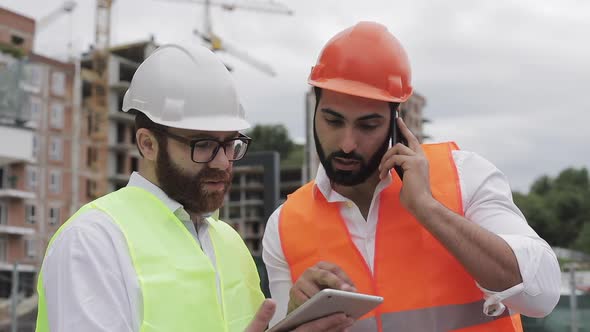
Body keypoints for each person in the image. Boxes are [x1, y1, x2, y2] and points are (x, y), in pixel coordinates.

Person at [263, 22, 561, 331]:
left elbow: (542, 295)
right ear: (315, 109)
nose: (347, 143)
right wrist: (295, 318)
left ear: (396, 122)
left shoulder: (465, 176)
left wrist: (427, 208)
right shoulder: (284, 225)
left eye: (368, 125)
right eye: (333, 120)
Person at [35, 44, 354, 332]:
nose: (222, 162)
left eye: (231, 143)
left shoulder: (229, 241)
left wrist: (294, 318)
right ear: (148, 143)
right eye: (202, 145)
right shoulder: (92, 242)